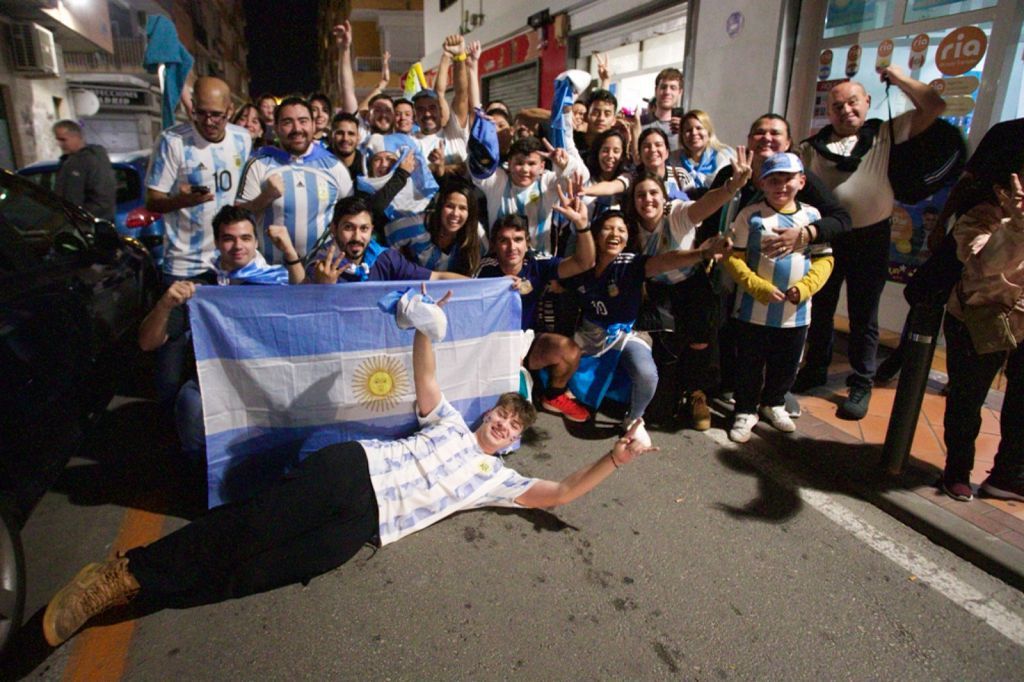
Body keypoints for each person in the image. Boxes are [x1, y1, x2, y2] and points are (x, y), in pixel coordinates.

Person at [41, 285, 658, 647]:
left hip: (363, 529)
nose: (503, 426)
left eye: (514, 429)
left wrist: (615, 456)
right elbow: (427, 372)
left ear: (510, 444)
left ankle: (152, 592)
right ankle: (119, 578)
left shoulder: (497, 481)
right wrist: (425, 325)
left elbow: (561, 492)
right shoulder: (443, 419)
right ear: (485, 415)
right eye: (500, 415)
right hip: (351, 470)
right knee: (252, 527)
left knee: (260, 571)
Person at [794, 66, 946, 419]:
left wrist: (898, 77)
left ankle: (861, 382)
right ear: (827, 112)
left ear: (866, 102)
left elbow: (933, 106)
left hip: (871, 237)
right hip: (829, 236)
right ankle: (815, 369)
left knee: (865, 316)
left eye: (852, 103)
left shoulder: (885, 133)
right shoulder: (812, 147)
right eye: (837, 106)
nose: (846, 111)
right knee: (821, 309)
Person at [704, 114, 851, 411]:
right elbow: (708, 216)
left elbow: (842, 220)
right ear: (748, 140)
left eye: (775, 133)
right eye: (759, 132)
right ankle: (737, 391)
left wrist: (807, 233)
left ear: (789, 143)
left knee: (785, 344)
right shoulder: (728, 173)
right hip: (735, 267)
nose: (766, 138)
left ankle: (776, 396)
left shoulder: (799, 180)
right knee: (735, 333)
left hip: (786, 282)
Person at [137, 206, 296, 464]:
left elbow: (310, 303)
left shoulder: (277, 281)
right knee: (191, 405)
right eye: (228, 238)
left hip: (269, 377)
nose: (237, 246)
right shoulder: (201, 289)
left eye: (245, 238)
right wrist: (165, 304)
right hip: (216, 380)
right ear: (217, 243)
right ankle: (201, 478)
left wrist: (290, 253)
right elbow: (147, 343)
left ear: (256, 241)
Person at [561, 210, 732, 441]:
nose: (615, 234)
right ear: (595, 234)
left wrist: (702, 253)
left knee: (647, 374)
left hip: (628, 332)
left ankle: (633, 418)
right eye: (608, 228)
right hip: (589, 336)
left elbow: (667, 260)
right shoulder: (580, 266)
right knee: (562, 369)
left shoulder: (632, 263)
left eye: (621, 230)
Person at [619, 148, 752, 431]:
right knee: (659, 408)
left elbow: (705, 205)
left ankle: (696, 393)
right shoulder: (628, 229)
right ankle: (665, 391)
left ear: (664, 197)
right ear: (633, 201)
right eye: (640, 195)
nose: (647, 200)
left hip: (691, 286)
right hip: (655, 290)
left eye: (653, 194)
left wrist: (732, 187)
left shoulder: (677, 214)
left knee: (700, 342)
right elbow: (653, 266)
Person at [145, 76, 253, 406]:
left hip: (231, 265)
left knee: (225, 357)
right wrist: (181, 201)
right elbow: (153, 201)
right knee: (172, 356)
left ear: (230, 111)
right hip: (185, 266)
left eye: (217, 114)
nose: (209, 121)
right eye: (202, 113)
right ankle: (168, 431)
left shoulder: (243, 139)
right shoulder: (172, 141)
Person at [721, 153, 834, 443]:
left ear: (801, 181)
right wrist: (757, 286)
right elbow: (734, 259)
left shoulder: (812, 217)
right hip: (752, 312)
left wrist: (805, 288)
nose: (781, 185)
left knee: (787, 363)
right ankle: (746, 409)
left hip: (796, 314)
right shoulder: (751, 215)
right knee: (749, 363)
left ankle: (774, 402)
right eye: (773, 180)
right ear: (762, 182)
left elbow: (825, 261)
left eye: (787, 179)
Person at [476, 182, 596, 422]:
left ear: (527, 242)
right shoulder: (485, 269)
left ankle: (553, 395)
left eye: (518, 239)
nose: (512, 247)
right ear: (494, 245)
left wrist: (582, 225)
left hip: (527, 341)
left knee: (569, 351)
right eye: (504, 241)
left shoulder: (538, 263)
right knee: (507, 410)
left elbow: (585, 262)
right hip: (491, 344)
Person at [939, 166, 1024, 502]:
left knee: (1020, 406)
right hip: (977, 321)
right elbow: (984, 266)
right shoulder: (980, 217)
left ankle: (1006, 476)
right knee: (966, 401)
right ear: (1003, 188)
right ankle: (957, 472)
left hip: (1020, 325)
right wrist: (1017, 224)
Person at [236, 96, 353, 265]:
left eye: (303, 121)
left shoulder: (334, 166)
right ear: (275, 127)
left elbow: (351, 218)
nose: (297, 128)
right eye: (287, 122)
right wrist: (265, 197)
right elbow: (238, 218)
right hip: (272, 275)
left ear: (314, 125)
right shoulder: (259, 164)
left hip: (319, 275)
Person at [297, 196, 465, 284]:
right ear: (333, 229)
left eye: (364, 229)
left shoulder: (385, 258)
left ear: (371, 230)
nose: (357, 237)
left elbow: (436, 278)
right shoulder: (321, 264)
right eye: (348, 228)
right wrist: (322, 288)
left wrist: (482, 287)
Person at [390, 181, 487, 275]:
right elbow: (388, 237)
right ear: (440, 207)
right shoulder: (418, 225)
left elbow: (483, 260)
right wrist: (402, 267)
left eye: (462, 208)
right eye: (449, 206)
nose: (455, 214)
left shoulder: (476, 233)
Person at [52, 119, 116, 221]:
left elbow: (101, 198)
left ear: (76, 137)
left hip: (88, 224)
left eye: (63, 140)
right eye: (58, 140)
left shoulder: (89, 160)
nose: (60, 144)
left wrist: (79, 216)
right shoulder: (71, 160)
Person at [670, 110, 735, 194]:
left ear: (708, 131)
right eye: (688, 130)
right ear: (682, 135)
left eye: (699, 128)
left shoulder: (725, 157)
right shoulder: (673, 160)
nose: (694, 133)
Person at [641, 68, 683, 152]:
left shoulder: (686, 127)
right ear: (656, 90)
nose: (667, 92)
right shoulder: (641, 122)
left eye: (673, 88)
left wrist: (685, 132)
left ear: (680, 92)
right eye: (663, 87)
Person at [329, 112, 363, 180]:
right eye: (340, 133)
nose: (345, 138)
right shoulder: (319, 164)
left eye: (351, 134)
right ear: (331, 136)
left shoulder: (366, 167)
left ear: (358, 137)